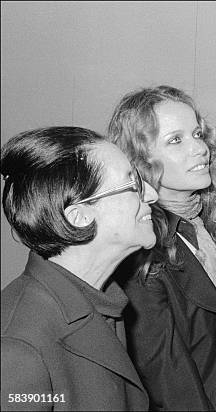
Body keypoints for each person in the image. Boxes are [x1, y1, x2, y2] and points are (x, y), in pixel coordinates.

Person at [107, 85, 216, 411]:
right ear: (140, 161)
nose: (201, 149)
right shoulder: (142, 255)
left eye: (197, 134)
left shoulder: (206, 229)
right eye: (176, 140)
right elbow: (169, 385)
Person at [1, 127, 158, 411]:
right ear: (80, 216)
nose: (153, 194)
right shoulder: (18, 346)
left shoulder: (102, 302)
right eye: (132, 184)